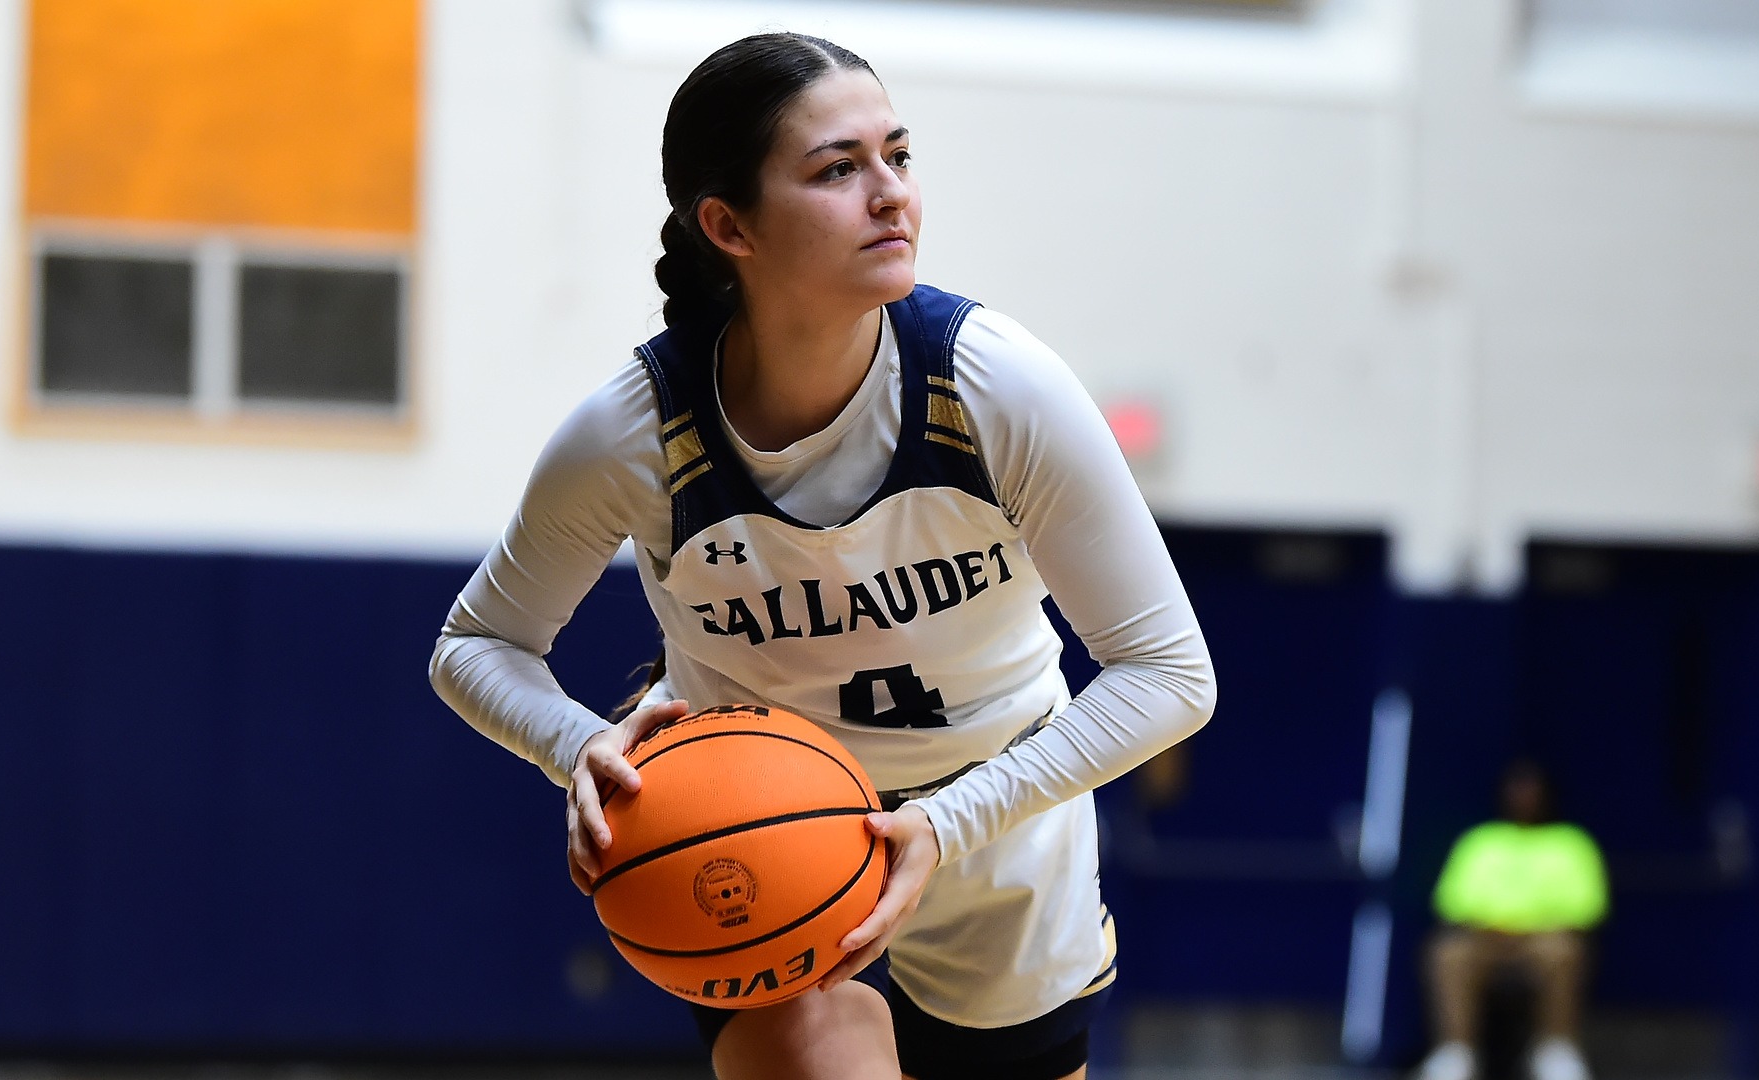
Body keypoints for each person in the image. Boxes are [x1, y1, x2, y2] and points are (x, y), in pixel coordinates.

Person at [429, 32, 1216, 1080]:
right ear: (728, 225)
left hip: (999, 816)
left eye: (898, 154)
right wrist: (578, 747)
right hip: (756, 827)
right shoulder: (633, 433)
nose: (890, 194)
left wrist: (947, 820)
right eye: (839, 169)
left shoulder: (997, 387)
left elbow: (1173, 675)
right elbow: (476, 643)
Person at [1416, 760, 1608, 1080]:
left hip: (1543, 941)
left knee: (1564, 951)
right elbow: (1451, 904)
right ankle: (1456, 1053)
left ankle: (1555, 1051)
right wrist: (1492, 929)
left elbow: (1586, 910)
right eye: (1517, 790)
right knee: (1448, 952)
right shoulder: (1480, 841)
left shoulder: (1572, 843)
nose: (1524, 798)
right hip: (1484, 940)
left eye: (1532, 790)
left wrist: (1530, 929)